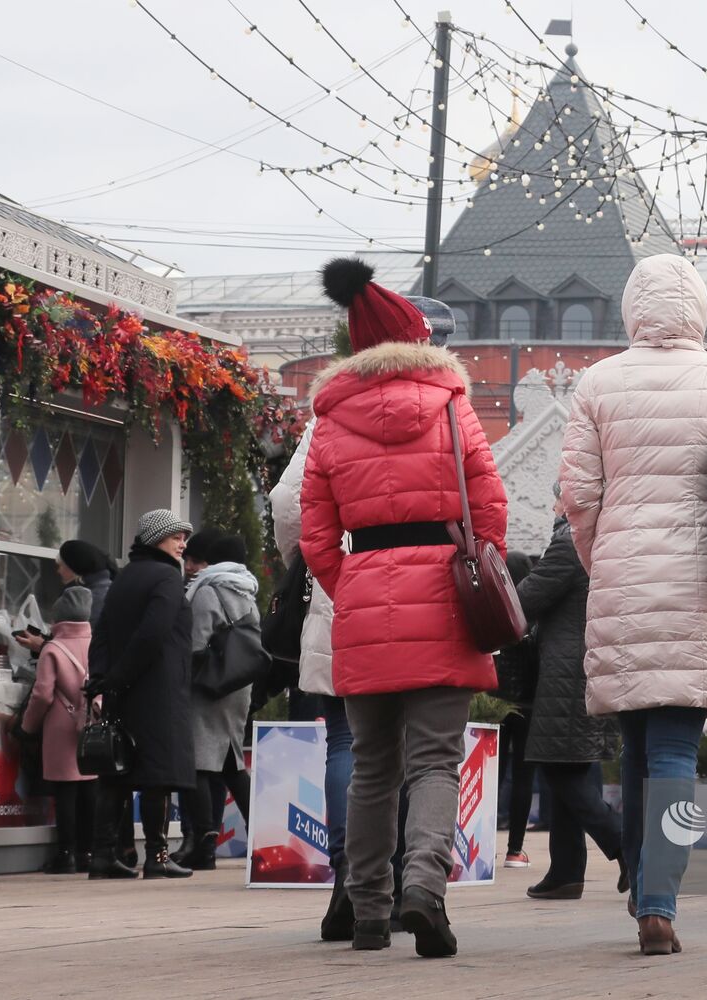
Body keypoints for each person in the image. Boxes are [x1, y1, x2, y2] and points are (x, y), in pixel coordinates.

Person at [563, 252, 707, 957]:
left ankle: (642, 883)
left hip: (621, 575)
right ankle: (659, 899)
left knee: (637, 746)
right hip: (705, 580)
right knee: (679, 745)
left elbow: (579, 497)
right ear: (699, 309)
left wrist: (603, 558)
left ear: (631, 308)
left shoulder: (597, 381)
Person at [300, 257, 506, 959]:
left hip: (363, 596)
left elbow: (315, 536)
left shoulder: (329, 424)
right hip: (445, 598)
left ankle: (366, 911)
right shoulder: (453, 407)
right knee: (435, 764)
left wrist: (351, 585)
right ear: (419, 341)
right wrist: (474, 570)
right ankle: (425, 890)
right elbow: (490, 506)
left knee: (371, 767)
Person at [517, 490, 625, 902]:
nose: (552, 508)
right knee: (571, 766)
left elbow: (526, 598)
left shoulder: (569, 543)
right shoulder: (604, 538)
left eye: (556, 501)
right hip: (591, 661)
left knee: (558, 768)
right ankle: (565, 872)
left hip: (566, 670)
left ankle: (623, 847)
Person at [272, 408, 352, 940]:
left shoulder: (334, 410)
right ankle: (415, 883)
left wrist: (313, 565)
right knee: (421, 750)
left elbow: (287, 503)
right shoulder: (449, 402)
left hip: (342, 590)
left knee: (346, 740)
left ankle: (350, 880)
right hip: (426, 597)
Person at [85, 509, 197, 880]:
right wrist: (120, 675)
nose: (183, 544)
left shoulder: (124, 577)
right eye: (176, 537)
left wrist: (104, 678)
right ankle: (157, 856)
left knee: (115, 771)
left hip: (122, 691)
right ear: (155, 538)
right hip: (158, 691)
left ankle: (102, 855)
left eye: (184, 538)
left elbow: (99, 632)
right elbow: (154, 633)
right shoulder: (167, 576)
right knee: (157, 775)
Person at [180, 532, 256, 871]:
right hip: (237, 685)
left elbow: (196, 644)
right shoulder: (246, 588)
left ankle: (205, 843)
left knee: (198, 761)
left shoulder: (208, 589)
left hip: (207, 686)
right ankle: (260, 836)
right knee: (231, 761)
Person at [19, 586, 95, 873]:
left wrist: (27, 727)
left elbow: (42, 695)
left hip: (61, 726)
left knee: (65, 792)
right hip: (91, 726)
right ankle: (87, 853)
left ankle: (66, 854)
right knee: (90, 788)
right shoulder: (97, 643)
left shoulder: (52, 648)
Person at [493, 551, 538, 869]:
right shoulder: (534, 614)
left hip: (493, 703)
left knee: (490, 774)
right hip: (530, 704)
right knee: (523, 776)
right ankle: (515, 850)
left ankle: (479, 843)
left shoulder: (490, 608)